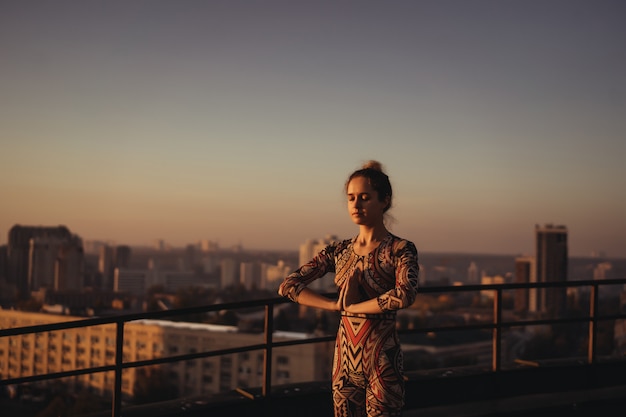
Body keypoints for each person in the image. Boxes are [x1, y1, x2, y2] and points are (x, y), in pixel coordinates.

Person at [278, 160, 419, 417]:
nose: (356, 205)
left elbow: (405, 294)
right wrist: (334, 306)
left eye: (365, 198)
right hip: (343, 361)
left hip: (382, 361)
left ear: (384, 200)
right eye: (351, 198)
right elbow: (288, 286)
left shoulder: (400, 249)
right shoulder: (338, 250)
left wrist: (354, 307)